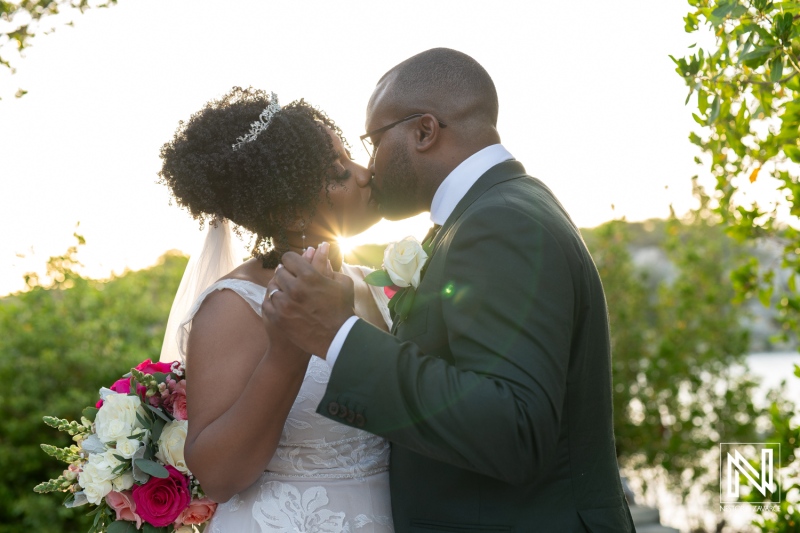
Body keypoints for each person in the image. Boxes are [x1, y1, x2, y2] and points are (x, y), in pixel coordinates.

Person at [263, 49, 636, 531]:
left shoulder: (500, 223)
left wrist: (339, 334)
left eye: (373, 140)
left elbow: (515, 428)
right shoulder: (500, 208)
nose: (369, 167)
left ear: (424, 131)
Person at [158, 87, 394, 532]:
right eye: (341, 172)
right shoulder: (234, 305)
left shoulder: (376, 283)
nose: (366, 176)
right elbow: (219, 476)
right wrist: (286, 354)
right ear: (291, 214)